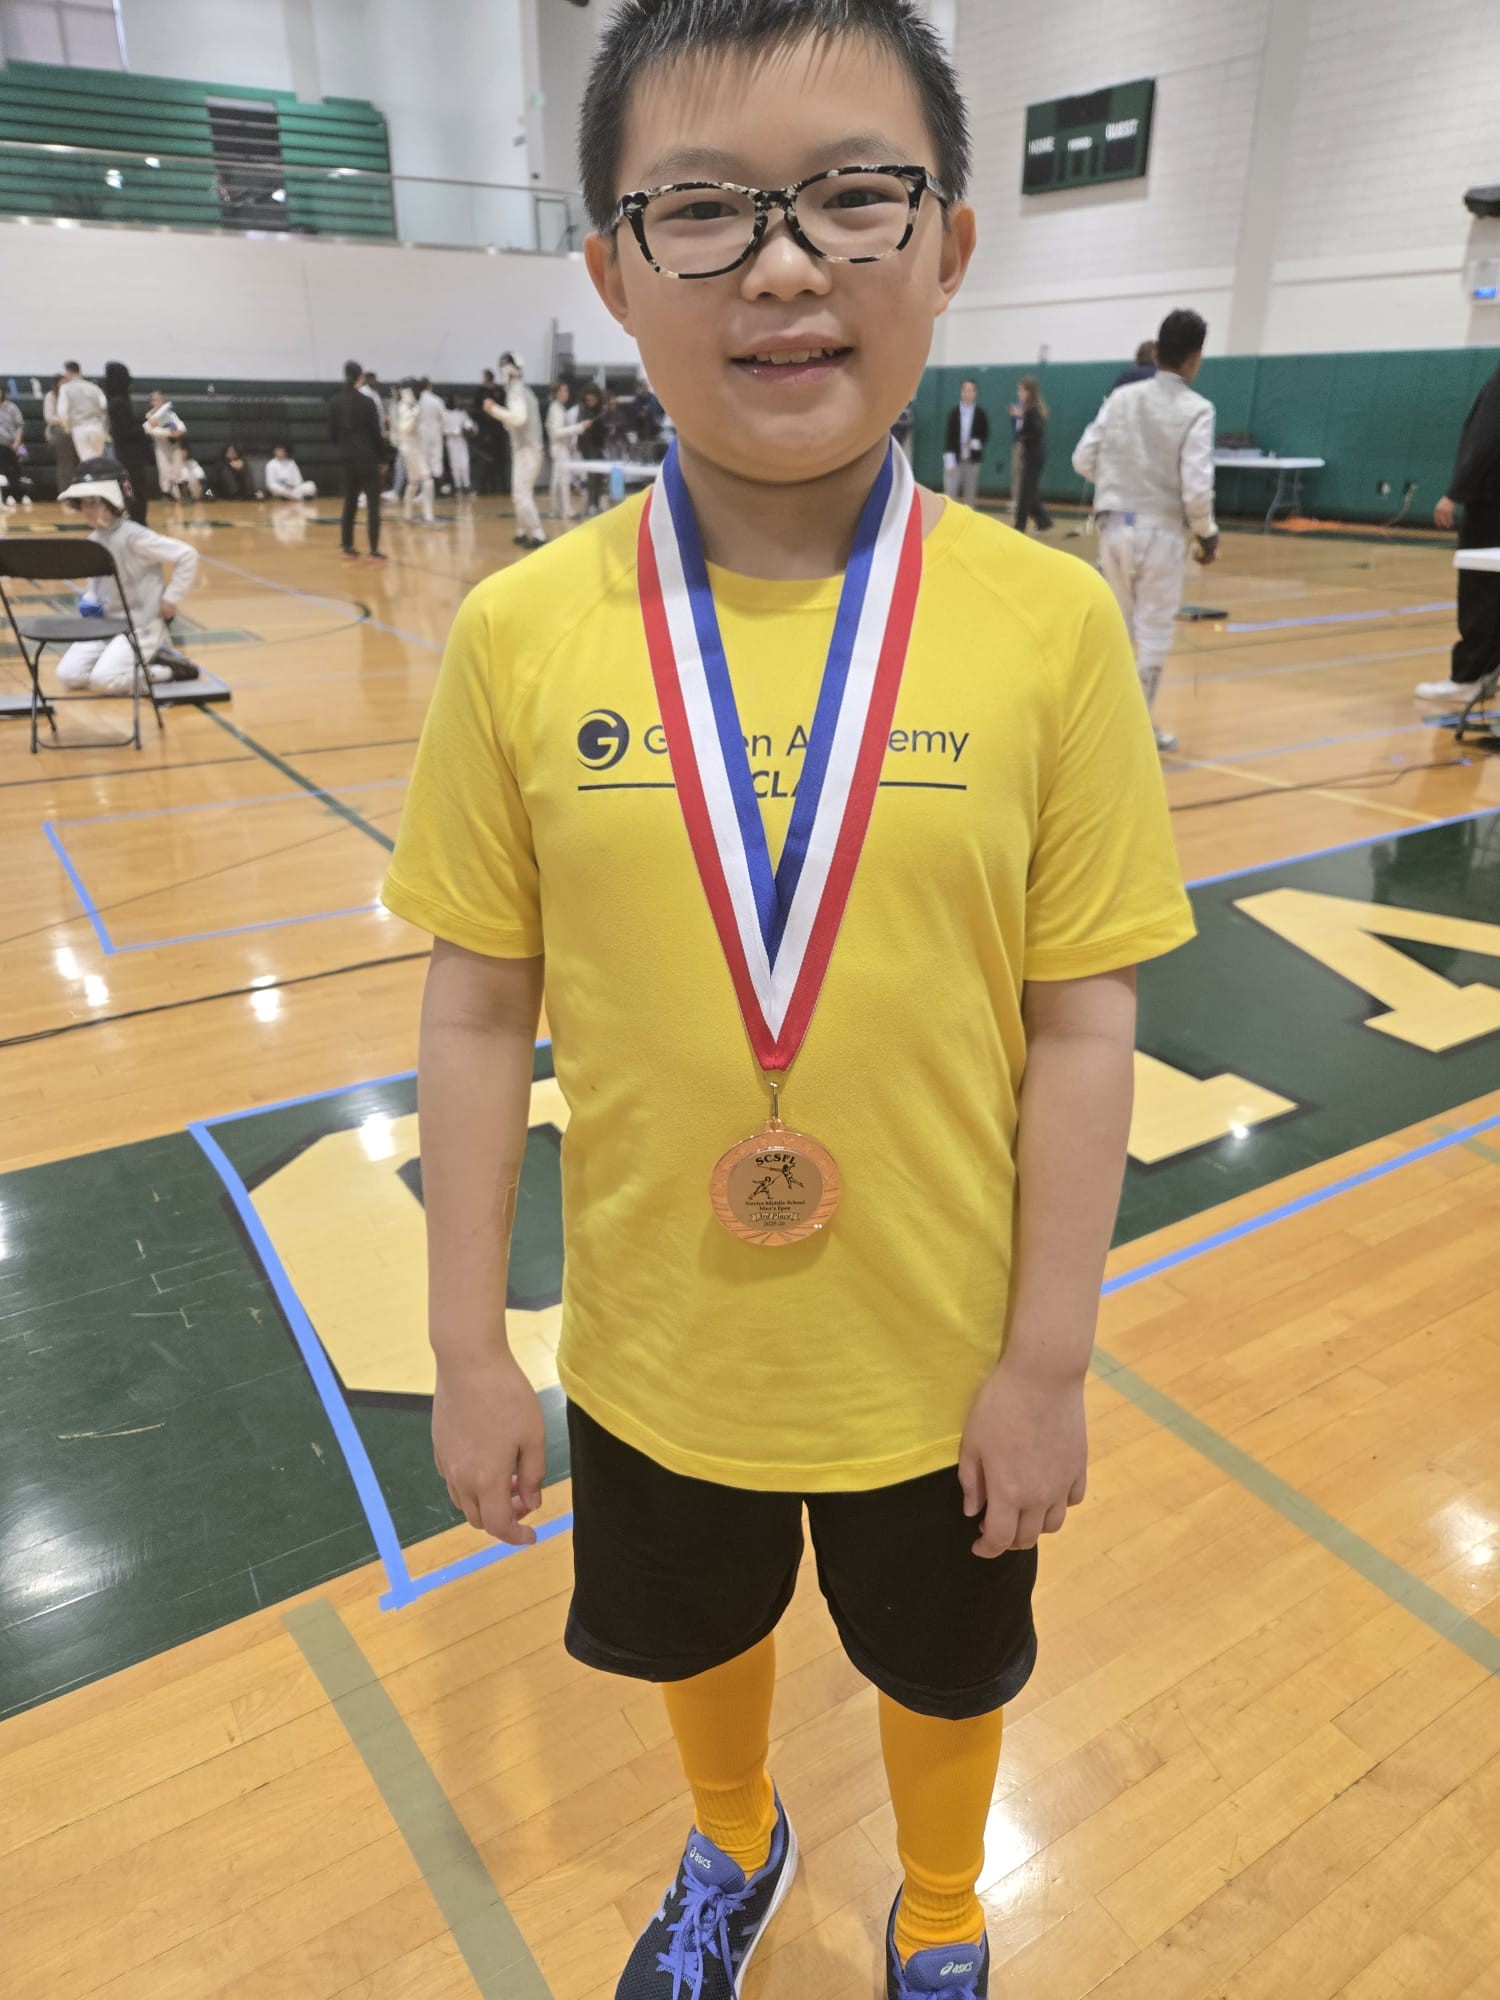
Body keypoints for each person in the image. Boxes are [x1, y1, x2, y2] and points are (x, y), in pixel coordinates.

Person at [382, 7, 1194, 1999]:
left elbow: (1086, 1027)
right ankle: (735, 1847)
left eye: (851, 197)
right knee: (699, 1635)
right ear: (611, 271)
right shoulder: (519, 632)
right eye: (703, 211)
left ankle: (944, 1912)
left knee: (947, 1663)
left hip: (945, 1352)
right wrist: (467, 1350)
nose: (780, 266)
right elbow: (476, 1014)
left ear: (952, 243)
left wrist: (1050, 1361)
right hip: (661, 1346)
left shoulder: (1051, 627)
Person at [1073, 307, 1218, 752]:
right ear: (1194, 359)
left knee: (1117, 630)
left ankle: (1099, 728)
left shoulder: (1121, 398)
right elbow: (1196, 489)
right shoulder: (1197, 409)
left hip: (1113, 529)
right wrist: (1207, 533)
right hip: (1160, 535)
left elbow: (1082, 458)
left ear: (1157, 353)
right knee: (1153, 632)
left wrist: (1119, 486)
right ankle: (1133, 733)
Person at [54, 458, 199, 692]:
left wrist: (170, 599)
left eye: (94, 503)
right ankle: (138, 662)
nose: (88, 510)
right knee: (68, 676)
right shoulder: (95, 539)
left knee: (103, 681)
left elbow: (187, 555)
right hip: (106, 624)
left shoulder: (134, 536)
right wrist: (90, 601)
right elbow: (96, 586)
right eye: (84, 503)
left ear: (112, 502)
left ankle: (170, 669)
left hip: (142, 625)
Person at [1419, 361, 1500, 704]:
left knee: (1479, 589)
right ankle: (1486, 674)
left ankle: (1468, 677)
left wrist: (1455, 493)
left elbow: (1488, 438)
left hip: (1490, 502)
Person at [483, 352, 546, 546]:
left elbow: (518, 419)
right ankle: (522, 531)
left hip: (528, 450)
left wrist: (493, 409)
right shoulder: (520, 390)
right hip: (524, 449)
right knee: (518, 494)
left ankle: (538, 534)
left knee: (522, 494)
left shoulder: (517, 390)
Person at [329, 358, 386, 563]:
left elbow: (332, 434)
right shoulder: (367, 402)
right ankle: (374, 550)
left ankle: (347, 547)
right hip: (367, 457)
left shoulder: (335, 402)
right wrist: (383, 458)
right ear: (360, 377)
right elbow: (376, 434)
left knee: (350, 502)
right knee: (373, 504)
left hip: (346, 458)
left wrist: (343, 449)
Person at [1010, 375, 1053, 534]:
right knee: (1030, 490)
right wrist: (1020, 417)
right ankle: (1044, 521)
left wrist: (1023, 435)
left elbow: (1037, 431)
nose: (1018, 392)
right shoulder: (1027, 409)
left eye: (1021, 390)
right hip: (1032, 455)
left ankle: (1019, 526)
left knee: (1025, 491)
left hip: (1035, 456)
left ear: (1028, 392)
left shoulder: (1033, 410)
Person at [392, 382, 437, 524]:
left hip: (411, 447)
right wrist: (415, 413)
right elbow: (405, 428)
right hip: (410, 448)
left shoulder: (410, 406)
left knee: (413, 482)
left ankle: (408, 515)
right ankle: (428, 516)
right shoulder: (404, 407)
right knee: (427, 480)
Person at [942, 377, 987, 506]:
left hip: (972, 461)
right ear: (961, 392)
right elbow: (949, 438)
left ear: (975, 393)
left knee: (970, 495)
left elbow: (984, 435)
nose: (967, 393)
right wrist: (949, 462)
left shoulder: (980, 414)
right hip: (955, 460)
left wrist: (975, 443)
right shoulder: (954, 413)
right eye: (965, 390)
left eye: (970, 390)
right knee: (950, 492)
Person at [545, 380, 587, 521]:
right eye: (563, 391)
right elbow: (557, 432)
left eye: (567, 391)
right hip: (559, 448)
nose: (566, 393)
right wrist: (579, 427)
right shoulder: (556, 409)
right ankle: (566, 510)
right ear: (556, 393)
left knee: (557, 479)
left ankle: (555, 510)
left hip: (558, 447)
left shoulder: (557, 407)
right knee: (563, 479)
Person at [142, 388, 191, 505]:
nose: (158, 402)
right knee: (164, 471)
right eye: (155, 400)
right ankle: (166, 495)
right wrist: (169, 433)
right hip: (161, 448)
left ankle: (184, 495)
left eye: (160, 399)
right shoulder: (149, 416)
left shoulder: (171, 414)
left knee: (178, 470)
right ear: (151, 402)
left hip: (174, 447)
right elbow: (150, 430)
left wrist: (175, 432)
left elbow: (181, 428)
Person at [58, 360, 108, 464]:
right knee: (97, 460)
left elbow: (62, 411)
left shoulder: (65, 388)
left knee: (87, 461)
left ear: (67, 372)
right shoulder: (94, 387)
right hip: (97, 427)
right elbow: (104, 406)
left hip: (79, 427)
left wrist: (66, 427)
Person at [472, 367, 510, 494]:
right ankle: (484, 488)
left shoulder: (500, 391)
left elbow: (505, 408)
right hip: (485, 431)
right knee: (485, 459)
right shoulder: (481, 392)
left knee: (501, 459)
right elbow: (476, 410)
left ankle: (502, 486)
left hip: (498, 430)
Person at [576, 384, 609, 513]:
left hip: (599, 444)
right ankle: (591, 504)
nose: (590, 402)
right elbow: (580, 426)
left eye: (593, 399)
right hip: (587, 445)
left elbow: (604, 427)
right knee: (592, 475)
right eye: (588, 399)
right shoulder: (583, 409)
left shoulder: (601, 409)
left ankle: (596, 503)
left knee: (599, 475)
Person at [44, 374, 76, 496]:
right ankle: (65, 493)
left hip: (74, 431)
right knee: (65, 462)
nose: (65, 385)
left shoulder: (72, 396)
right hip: (57, 431)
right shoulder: (51, 396)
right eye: (62, 382)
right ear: (56, 384)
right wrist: (65, 421)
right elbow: (49, 418)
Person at [417, 376, 447, 499]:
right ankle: (437, 490)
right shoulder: (436, 400)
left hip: (421, 433)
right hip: (435, 432)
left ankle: (424, 492)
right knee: (436, 459)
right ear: (429, 386)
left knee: (423, 461)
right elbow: (444, 417)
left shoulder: (417, 400)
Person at [441, 396, 476, 495]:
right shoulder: (445, 414)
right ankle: (458, 486)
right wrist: (453, 432)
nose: (457, 403)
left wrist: (468, 428)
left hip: (461, 440)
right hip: (452, 441)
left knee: (465, 463)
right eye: (455, 401)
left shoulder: (462, 414)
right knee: (455, 464)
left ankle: (467, 485)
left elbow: (469, 424)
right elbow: (443, 429)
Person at [0, 385, 26, 509]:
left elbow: (20, 426)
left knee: (15, 469)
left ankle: (16, 495)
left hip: (12, 444)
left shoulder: (11, 407)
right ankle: (5, 495)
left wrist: (17, 442)